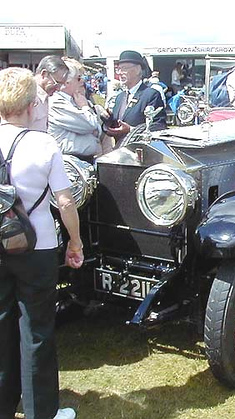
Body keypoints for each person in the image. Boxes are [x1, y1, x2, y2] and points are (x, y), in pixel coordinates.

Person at [0, 67, 84, 419]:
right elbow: (65, 201)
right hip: (38, 247)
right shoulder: (44, 143)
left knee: (2, 325)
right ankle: (41, 412)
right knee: (37, 329)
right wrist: (75, 242)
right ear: (32, 105)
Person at [105, 50, 167, 147]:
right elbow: (117, 124)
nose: (120, 73)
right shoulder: (119, 97)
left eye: (124, 68)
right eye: (118, 69)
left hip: (141, 153)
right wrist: (107, 121)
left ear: (138, 70)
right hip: (120, 152)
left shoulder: (151, 95)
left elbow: (159, 127)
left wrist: (131, 130)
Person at [48, 58, 104, 162]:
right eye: (78, 78)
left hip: (83, 160)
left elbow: (98, 129)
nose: (82, 81)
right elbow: (90, 124)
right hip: (69, 161)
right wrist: (84, 107)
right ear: (67, 82)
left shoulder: (75, 100)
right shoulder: (57, 102)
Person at [31, 55, 69, 132]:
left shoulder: (45, 98)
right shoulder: (25, 96)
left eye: (61, 85)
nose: (58, 89)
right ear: (44, 74)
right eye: (57, 83)